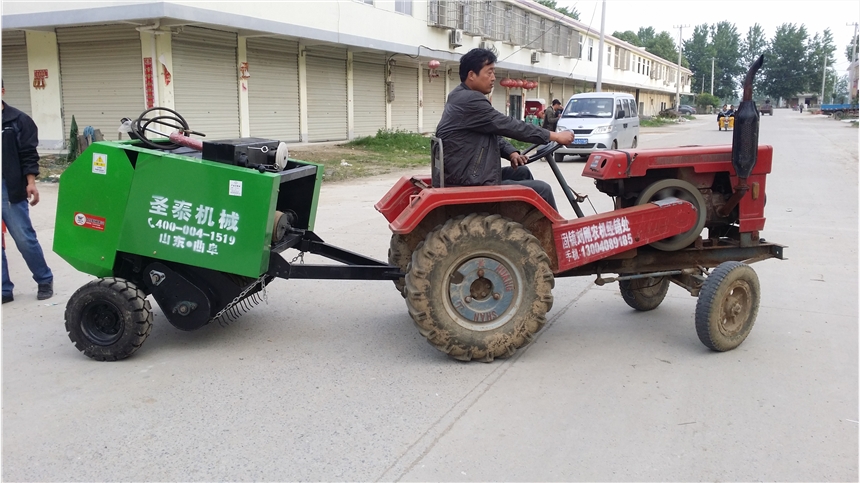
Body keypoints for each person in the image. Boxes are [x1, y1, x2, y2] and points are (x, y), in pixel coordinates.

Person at [434, 48, 575, 210]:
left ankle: (525, 226)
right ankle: (552, 234)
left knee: (522, 172)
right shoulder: (470, 99)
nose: (493, 78)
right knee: (543, 189)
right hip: (469, 180)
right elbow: (508, 125)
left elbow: (490, 130)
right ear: (472, 75)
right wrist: (554, 136)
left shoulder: (460, 95)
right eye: (489, 72)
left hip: (465, 173)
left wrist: (511, 152)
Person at [2, 80, 53, 303]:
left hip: (9, 186)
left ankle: (44, 278)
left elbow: (28, 154)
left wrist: (30, 182)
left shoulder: (17, 120)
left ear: (2, 90)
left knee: (23, 237)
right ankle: (4, 289)